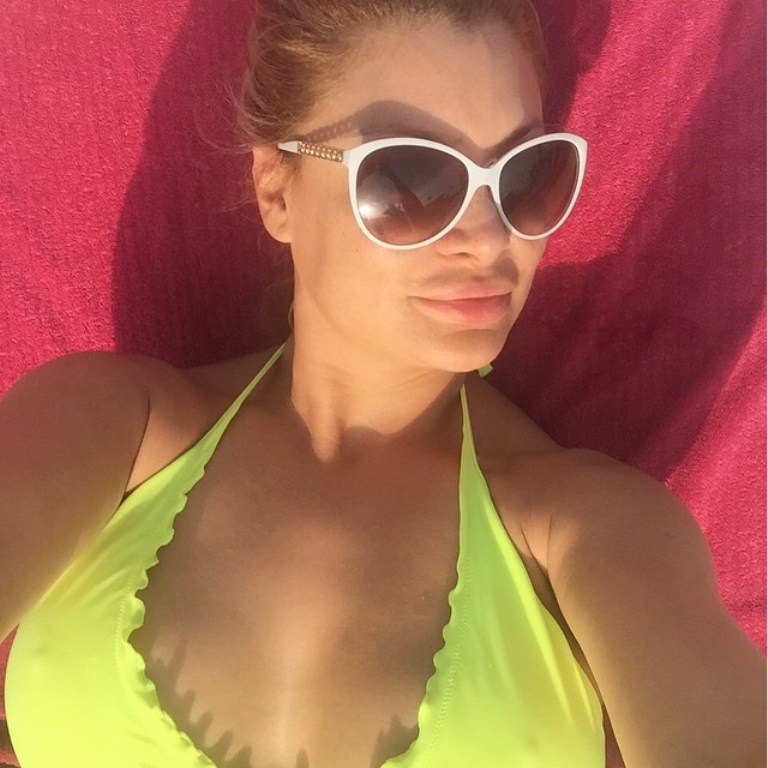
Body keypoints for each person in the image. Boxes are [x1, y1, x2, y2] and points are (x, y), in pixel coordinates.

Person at [0, 0, 764, 767]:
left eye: (526, 176)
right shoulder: (106, 428)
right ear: (276, 190)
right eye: (412, 178)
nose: (489, 237)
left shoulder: (592, 533)